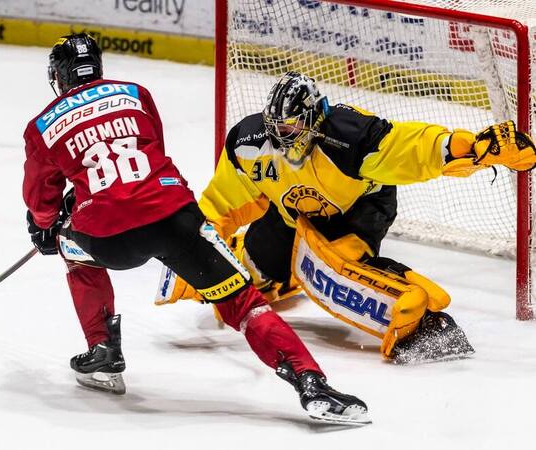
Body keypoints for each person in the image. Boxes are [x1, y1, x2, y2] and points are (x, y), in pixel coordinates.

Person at [22, 34, 371, 425]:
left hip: (109, 236)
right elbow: (148, 149)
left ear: (60, 75)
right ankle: (311, 381)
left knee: (70, 249)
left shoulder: (41, 126)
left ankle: (103, 349)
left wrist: (47, 226)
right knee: (244, 304)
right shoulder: (136, 93)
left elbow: (41, 201)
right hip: (175, 217)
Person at [159, 71, 536, 364]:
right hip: (289, 215)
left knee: (337, 270)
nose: (281, 138)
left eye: (289, 128)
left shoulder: (352, 137)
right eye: (275, 129)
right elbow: (224, 201)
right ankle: (282, 272)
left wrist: (473, 148)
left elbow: (414, 147)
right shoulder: (248, 141)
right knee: (249, 275)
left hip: (359, 210)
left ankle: (424, 324)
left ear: (312, 118)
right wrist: (192, 247)